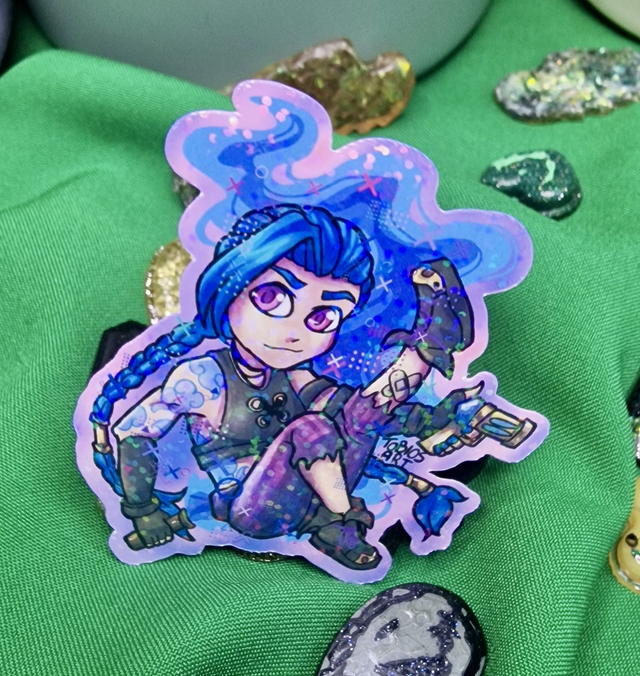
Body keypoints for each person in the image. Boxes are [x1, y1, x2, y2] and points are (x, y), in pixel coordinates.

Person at [90, 203, 475, 570]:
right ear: (230, 288)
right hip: (251, 511)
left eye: (323, 317)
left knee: (353, 416)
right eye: (272, 297)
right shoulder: (203, 377)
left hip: (311, 497)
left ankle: (428, 348)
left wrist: (428, 421)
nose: (294, 331)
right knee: (312, 428)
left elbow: (347, 410)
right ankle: (341, 523)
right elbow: (135, 434)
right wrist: (143, 511)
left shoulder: (294, 374)